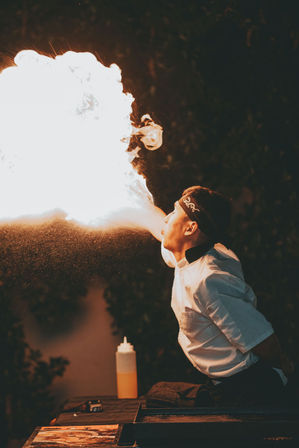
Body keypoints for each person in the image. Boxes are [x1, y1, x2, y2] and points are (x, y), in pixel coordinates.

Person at [146, 185, 294, 406]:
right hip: (222, 384)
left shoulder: (209, 280)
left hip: (251, 389)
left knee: (159, 402)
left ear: (190, 229)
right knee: (157, 395)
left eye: (174, 212)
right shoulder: (185, 253)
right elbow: (158, 225)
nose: (166, 219)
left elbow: (266, 344)